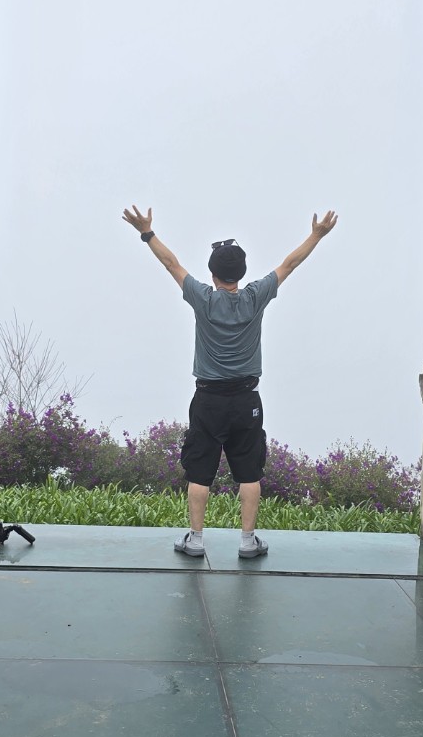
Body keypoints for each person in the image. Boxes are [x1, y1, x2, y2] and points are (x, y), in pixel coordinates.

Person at [122, 205, 338, 557]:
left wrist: (146, 232)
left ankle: (195, 539)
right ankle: (248, 541)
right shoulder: (256, 297)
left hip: (208, 400)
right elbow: (290, 264)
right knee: (249, 472)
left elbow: (171, 264)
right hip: (246, 401)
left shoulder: (203, 299)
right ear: (242, 272)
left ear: (212, 273)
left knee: (200, 472)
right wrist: (317, 235)